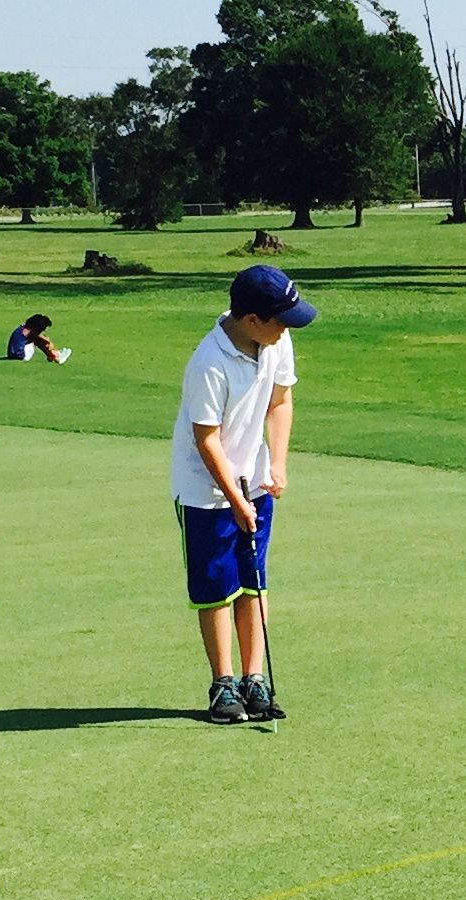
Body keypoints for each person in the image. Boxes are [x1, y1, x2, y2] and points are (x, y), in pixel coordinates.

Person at [169, 265, 313, 723]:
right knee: (216, 587)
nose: (288, 328)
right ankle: (223, 684)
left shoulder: (276, 340)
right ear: (252, 319)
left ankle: (255, 678)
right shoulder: (209, 363)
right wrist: (234, 498)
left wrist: (277, 463)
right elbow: (205, 438)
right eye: (281, 319)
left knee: (254, 578)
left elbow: (281, 401)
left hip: (253, 479)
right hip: (205, 490)